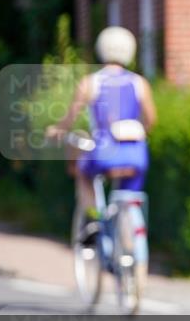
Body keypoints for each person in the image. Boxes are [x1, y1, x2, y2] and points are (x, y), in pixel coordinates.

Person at [46, 25, 156, 224]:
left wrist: (57, 130)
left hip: (103, 153)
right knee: (130, 195)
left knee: (82, 172)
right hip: (136, 154)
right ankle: (131, 236)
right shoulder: (140, 83)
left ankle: (92, 222)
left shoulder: (91, 82)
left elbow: (70, 117)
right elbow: (151, 120)